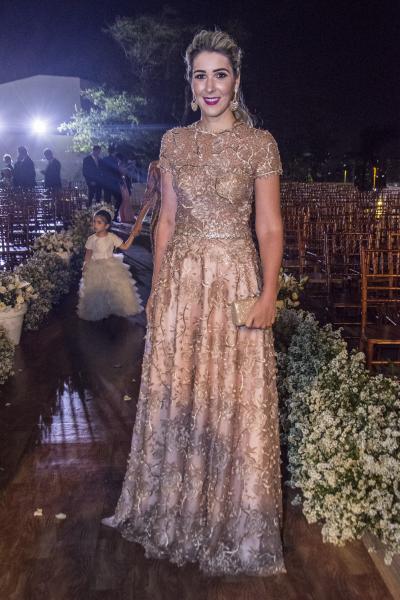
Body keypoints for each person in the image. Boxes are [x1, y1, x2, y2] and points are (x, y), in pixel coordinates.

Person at [102, 30, 286, 577]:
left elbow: (269, 226)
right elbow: (166, 222)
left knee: (235, 396)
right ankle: (175, 507)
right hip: (182, 283)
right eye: (200, 75)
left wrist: (269, 293)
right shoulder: (174, 143)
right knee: (178, 391)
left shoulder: (260, 144)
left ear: (236, 82)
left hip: (234, 281)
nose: (210, 86)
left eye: (220, 75)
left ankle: (232, 517)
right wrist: (158, 288)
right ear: (190, 85)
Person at [77, 209, 144, 321]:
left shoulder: (112, 237)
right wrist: (85, 265)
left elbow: (125, 246)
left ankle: (115, 308)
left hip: (111, 265)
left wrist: (132, 235)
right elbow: (88, 254)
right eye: (94, 221)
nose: (95, 224)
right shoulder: (91, 239)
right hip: (96, 266)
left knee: (114, 288)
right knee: (98, 290)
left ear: (107, 225)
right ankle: (101, 310)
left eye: (99, 222)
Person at [102, 145, 123, 217]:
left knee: (107, 200)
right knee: (119, 198)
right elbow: (116, 171)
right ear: (114, 152)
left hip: (107, 182)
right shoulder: (114, 160)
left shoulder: (104, 159)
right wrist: (121, 180)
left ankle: (109, 215)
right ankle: (114, 215)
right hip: (112, 183)